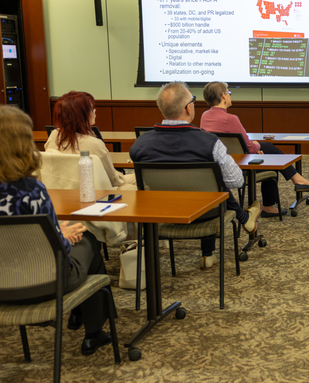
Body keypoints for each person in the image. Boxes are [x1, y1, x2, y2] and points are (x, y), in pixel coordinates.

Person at [0, 107, 115, 356]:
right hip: (44, 281)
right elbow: (58, 251)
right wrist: (62, 236)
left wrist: (55, 230)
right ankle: (94, 332)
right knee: (90, 240)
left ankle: (79, 315)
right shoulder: (31, 190)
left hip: (3, 283)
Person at [129, 82, 261, 270]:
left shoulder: (140, 144)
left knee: (208, 185)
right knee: (213, 185)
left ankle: (211, 251)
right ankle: (242, 220)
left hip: (162, 213)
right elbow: (237, 181)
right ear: (188, 108)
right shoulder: (209, 142)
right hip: (206, 213)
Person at [199, 81, 309, 218]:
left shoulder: (205, 116)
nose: (230, 95)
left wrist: (255, 148)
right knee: (270, 156)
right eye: (229, 92)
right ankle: (285, 190)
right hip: (240, 169)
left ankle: (295, 180)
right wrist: (256, 147)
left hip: (219, 167)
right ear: (223, 96)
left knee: (267, 151)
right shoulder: (231, 119)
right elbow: (249, 147)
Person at [45, 91, 136, 190]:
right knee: (136, 181)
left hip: (61, 190)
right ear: (82, 116)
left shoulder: (54, 135)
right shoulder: (95, 144)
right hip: (94, 192)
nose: (95, 111)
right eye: (92, 110)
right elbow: (114, 180)